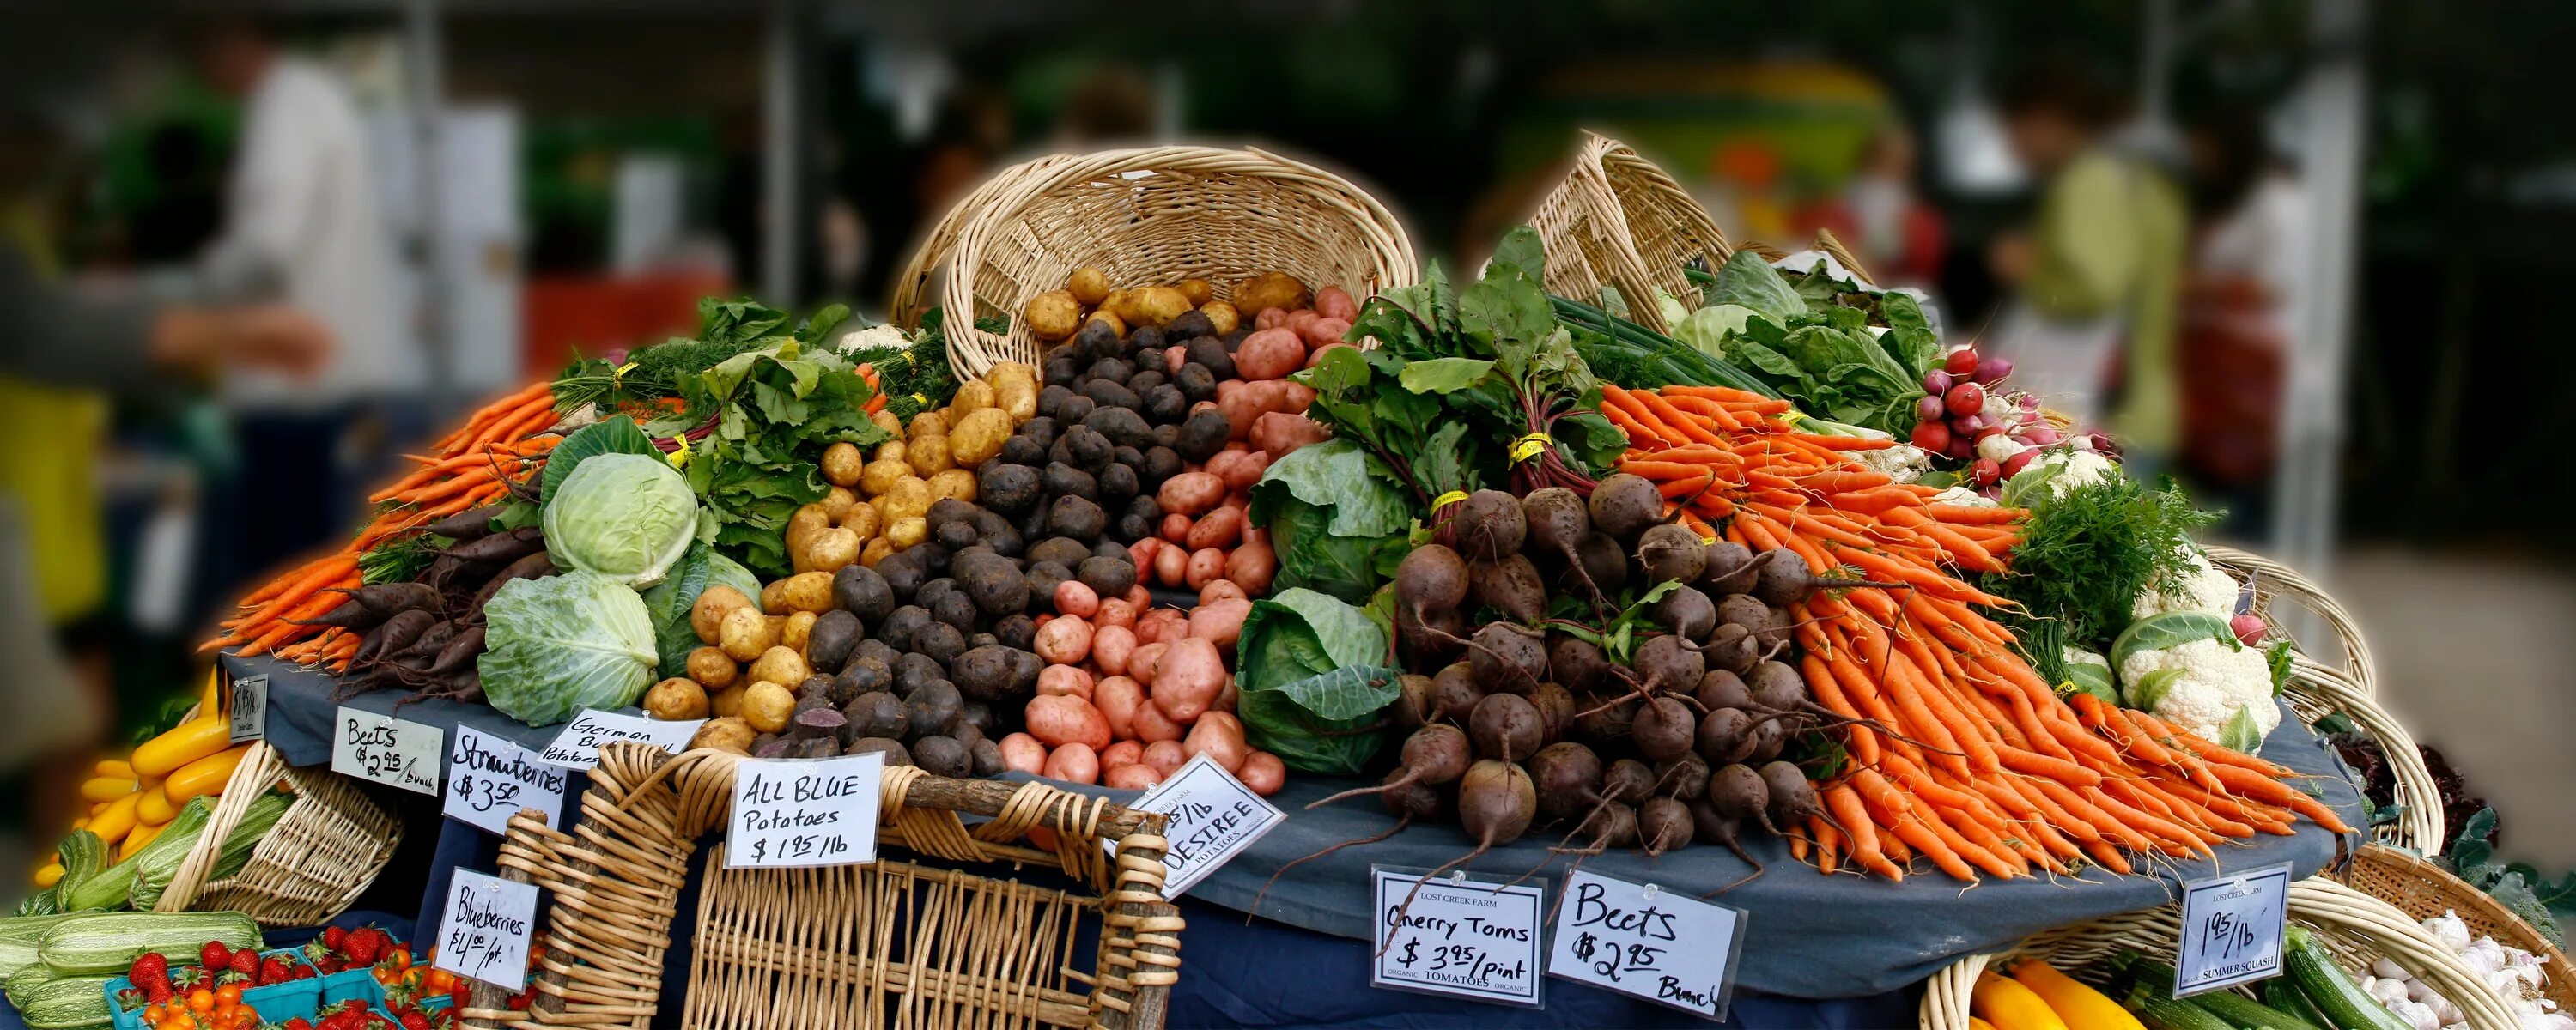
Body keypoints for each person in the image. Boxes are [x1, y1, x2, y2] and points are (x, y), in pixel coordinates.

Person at [0, 238, 330, 869]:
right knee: (62, 728)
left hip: (60, 545)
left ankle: (57, 878)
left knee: (71, 730)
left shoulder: (32, 245)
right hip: (34, 554)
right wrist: (237, 333)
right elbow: (66, 336)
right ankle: (57, 883)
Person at [185, 15, 408, 594]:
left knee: (286, 571)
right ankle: (286, 673)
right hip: (320, 373)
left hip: (296, 381)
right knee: (313, 556)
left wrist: (185, 294)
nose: (202, 73)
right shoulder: (309, 98)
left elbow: (267, 245)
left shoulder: (287, 107)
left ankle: (271, 681)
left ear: (232, 40)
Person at [1985, 58, 2189, 476]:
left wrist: (2026, 268)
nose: (2011, 145)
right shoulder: (2139, 178)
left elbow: (2093, 291)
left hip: (2104, 420)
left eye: (2014, 129)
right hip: (2134, 411)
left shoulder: (2093, 180)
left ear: (2047, 119)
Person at [1792, 124, 1947, 287]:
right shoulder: (1847, 195)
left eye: (1900, 158)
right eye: (1886, 155)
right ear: (1869, 156)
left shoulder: (1912, 208)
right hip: (1845, 267)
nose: (1891, 162)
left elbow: (1919, 256)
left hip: (1893, 276)